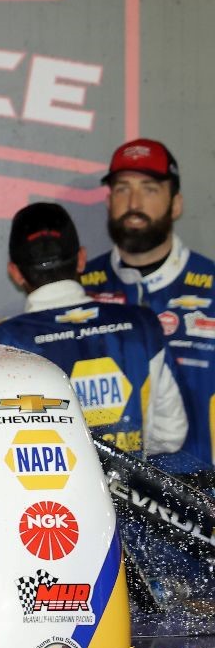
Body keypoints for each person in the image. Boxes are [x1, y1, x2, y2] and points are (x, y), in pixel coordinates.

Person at [0, 203, 186, 456]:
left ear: (15, 272)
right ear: (81, 259)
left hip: (46, 495)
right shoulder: (142, 324)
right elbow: (171, 435)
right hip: (128, 491)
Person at [82, 139, 215, 469]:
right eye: (122, 188)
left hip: (204, 497)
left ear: (176, 204)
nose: (134, 202)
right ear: (109, 201)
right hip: (108, 499)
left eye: (150, 189)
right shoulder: (79, 288)